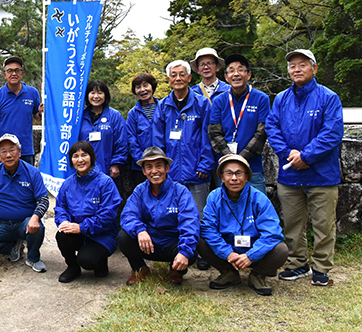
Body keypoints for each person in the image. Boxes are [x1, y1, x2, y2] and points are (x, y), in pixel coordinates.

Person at [265, 49, 343, 287]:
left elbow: (332, 132)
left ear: (314, 68)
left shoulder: (328, 97)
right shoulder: (281, 99)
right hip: (290, 172)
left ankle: (321, 268)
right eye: (292, 66)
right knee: (292, 223)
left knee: (323, 223)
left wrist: (307, 156)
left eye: (302, 65)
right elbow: (272, 127)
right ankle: (298, 263)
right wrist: (289, 153)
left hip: (321, 173)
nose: (296, 69)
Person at [199, 155, 288, 296]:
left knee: (280, 249)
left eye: (239, 173)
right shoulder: (214, 197)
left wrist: (250, 256)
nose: (234, 178)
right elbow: (208, 229)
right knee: (201, 240)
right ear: (221, 177)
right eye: (229, 173)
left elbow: (272, 233)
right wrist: (227, 253)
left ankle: (258, 275)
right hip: (229, 250)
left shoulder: (259, 199)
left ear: (247, 177)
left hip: (254, 250)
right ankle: (229, 273)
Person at [118, 147, 200, 286]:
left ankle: (177, 271)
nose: (154, 171)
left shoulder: (180, 191)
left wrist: (184, 252)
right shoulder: (140, 190)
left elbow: (190, 221)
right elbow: (128, 215)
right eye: (149, 167)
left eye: (159, 166)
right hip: (149, 244)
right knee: (123, 237)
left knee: (192, 251)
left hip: (172, 243)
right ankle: (140, 269)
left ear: (167, 168)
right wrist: (140, 230)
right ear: (144, 171)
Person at [0, 134, 49, 273]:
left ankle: (33, 257)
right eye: (3, 151)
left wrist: (35, 217)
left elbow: (43, 200)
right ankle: (12, 247)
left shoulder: (32, 173)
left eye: (12, 150)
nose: (8, 155)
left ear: (20, 152)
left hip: (25, 222)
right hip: (3, 223)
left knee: (38, 227)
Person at [152, 60, 215, 216]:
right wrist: (161, 167)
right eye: (173, 75)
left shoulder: (202, 103)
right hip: (171, 173)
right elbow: (157, 140)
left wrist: (205, 165)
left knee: (199, 215)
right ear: (168, 80)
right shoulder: (163, 106)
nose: (178, 78)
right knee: (172, 215)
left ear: (189, 78)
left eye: (182, 74)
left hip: (197, 171)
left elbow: (209, 135)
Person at [54, 141, 122, 283]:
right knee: (61, 235)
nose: (80, 160)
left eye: (84, 155)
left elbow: (108, 215)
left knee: (87, 260)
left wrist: (81, 227)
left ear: (91, 157)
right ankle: (73, 267)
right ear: (71, 161)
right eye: (75, 156)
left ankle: (100, 261)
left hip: (101, 235)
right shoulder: (67, 183)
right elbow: (60, 207)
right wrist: (64, 222)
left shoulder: (105, 182)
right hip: (77, 232)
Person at [208, 54, 271, 194]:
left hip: (252, 167)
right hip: (226, 168)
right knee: (227, 210)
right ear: (226, 77)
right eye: (231, 70)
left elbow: (262, 132)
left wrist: (241, 159)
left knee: (257, 210)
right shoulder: (219, 100)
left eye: (240, 69)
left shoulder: (261, 99)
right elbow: (214, 132)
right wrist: (230, 159)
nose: (236, 74)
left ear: (248, 75)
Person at [0, 56, 42, 165]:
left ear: (22, 73)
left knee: (26, 181)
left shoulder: (32, 93)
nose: (14, 74)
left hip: (26, 150)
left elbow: (37, 117)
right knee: (4, 182)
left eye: (17, 70)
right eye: (10, 71)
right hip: (5, 151)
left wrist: (41, 112)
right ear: (4, 74)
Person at [79, 80, 128, 182]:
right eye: (92, 93)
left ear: (106, 95)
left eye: (100, 93)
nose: (96, 96)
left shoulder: (115, 116)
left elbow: (122, 142)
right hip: (83, 168)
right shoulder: (80, 117)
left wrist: (116, 164)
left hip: (107, 169)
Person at [126, 73, 159, 185]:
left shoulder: (163, 107)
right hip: (140, 166)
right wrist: (142, 159)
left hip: (162, 162)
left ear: (152, 86)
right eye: (138, 87)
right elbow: (131, 138)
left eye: (146, 85)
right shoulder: (133, 113)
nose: (142, 90)